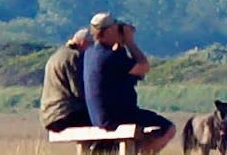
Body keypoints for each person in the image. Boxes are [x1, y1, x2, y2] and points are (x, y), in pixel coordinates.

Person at [82, 12, 174, 154]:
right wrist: (130, 42)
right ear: (108, 31)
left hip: (98, 116)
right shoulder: (109, 57)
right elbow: (143, 66)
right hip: (117, 116)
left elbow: (122, 70)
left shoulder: (91, 53)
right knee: (168, 128)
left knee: (143, 131)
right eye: (116, 28)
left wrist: (119, 44)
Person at [41, 28, 93, 132]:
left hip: (49, 115)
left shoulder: (57, 55)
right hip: (65, 114)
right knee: (104, 121)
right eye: (92, 45)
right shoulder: (74, 57)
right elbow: (79, 91)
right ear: (83, 42)